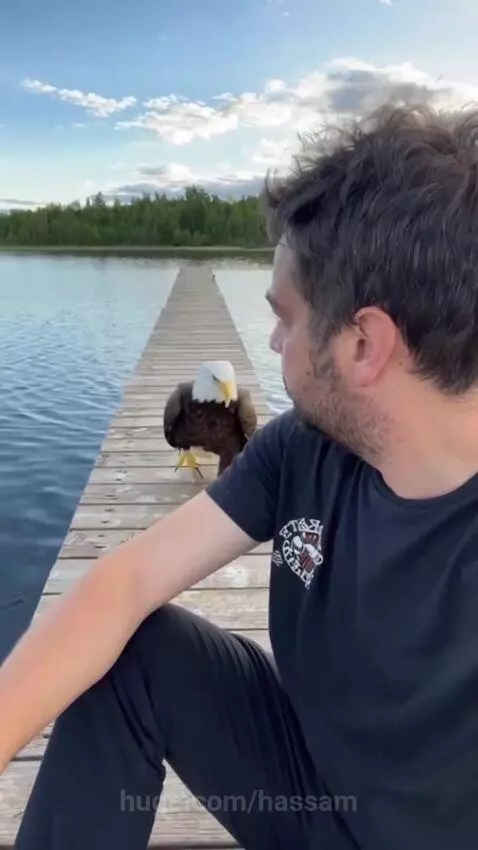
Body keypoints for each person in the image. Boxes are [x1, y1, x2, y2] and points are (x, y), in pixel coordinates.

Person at [3, 103, 478, 850]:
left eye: (286, 317)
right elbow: (124, 581)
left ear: (364, 344)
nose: (274, 342)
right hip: (304, 780)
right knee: (130, 647)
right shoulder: (303, 450)